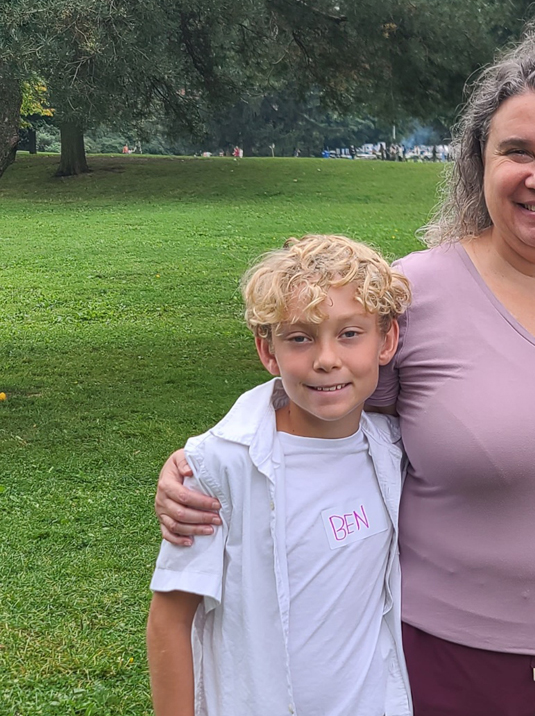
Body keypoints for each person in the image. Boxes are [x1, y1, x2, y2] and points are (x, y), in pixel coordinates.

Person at [154, 29, 535, 716]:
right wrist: (203, 464)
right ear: (478, 165)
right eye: (517, 151)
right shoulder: (413, 295)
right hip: (443, 664)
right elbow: (324, 397)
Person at [146, 234, 413, 716]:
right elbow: (170, 619)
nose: (326, 358)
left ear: (386, 340)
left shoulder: (395, 448)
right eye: (300, 337)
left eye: (350, 333)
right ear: (268, 351)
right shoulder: (218, 469)